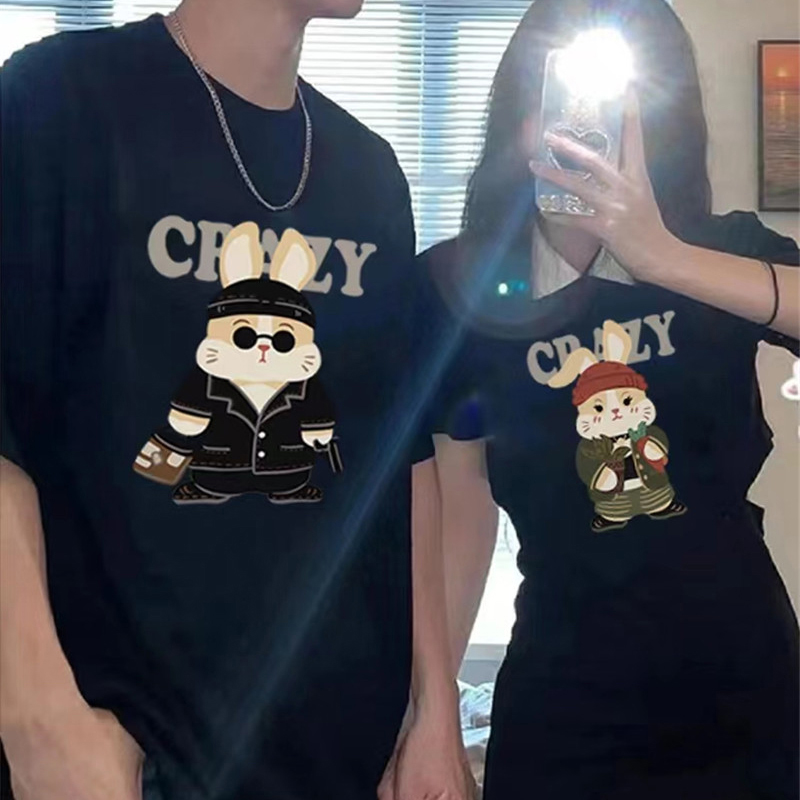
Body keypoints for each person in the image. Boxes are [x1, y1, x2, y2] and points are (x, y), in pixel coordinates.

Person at [0, 0, 452, 797]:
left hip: (337, 759)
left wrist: (434, 707)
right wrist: (39, 718)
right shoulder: (60, 102)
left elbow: (400, 464)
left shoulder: (370, 174)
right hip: (128, 762)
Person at [390, 0, 800, 798]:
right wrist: (430, 713)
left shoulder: (722, 252)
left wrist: (662, 257)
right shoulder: (456, 287)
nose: (581, 130)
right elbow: (460, 513)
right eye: (555, 97)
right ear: (518, 113)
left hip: (740, 683)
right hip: (564, 692)